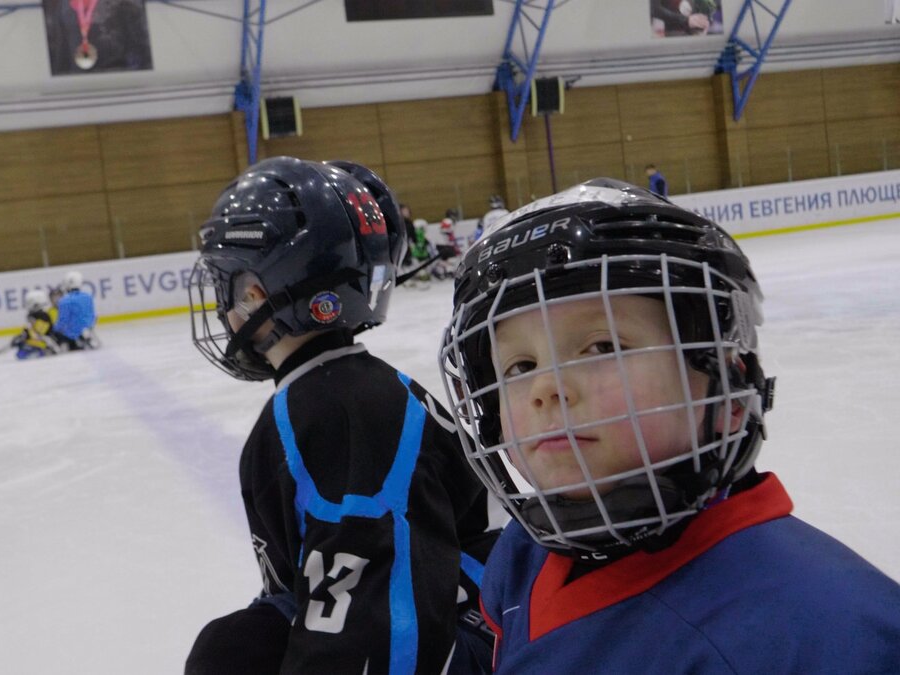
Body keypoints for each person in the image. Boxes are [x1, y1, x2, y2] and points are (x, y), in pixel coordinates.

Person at [438, 178, 900, 672]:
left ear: (724, 383)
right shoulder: (526, 552)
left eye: (603, 347)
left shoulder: (827, 635)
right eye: (519, 366)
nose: (546, 387)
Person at [186, 156, 501, 674]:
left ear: (255, 293)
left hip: (473, 625)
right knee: (239, 646)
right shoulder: (348, 391)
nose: (224, 310)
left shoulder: (333, 416)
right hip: (463, 602)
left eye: (227, 288)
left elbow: (381, 624)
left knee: (230, 656)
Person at [50, 270, 98, 350]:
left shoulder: (64, 301)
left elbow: (62, 321)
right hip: (89, 328)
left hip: (72, 334)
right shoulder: (88, 297)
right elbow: (92, 315)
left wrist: (54, 329)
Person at [12, 289, 60, 359]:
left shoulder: (43, 316)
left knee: (22, 353)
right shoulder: (34, 315)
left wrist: (26, 335)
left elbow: (40, 332)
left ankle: (45, 352)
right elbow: (31, 329)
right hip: (40, 342)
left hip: (47, 343)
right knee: (21, 352)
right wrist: (22, 335)